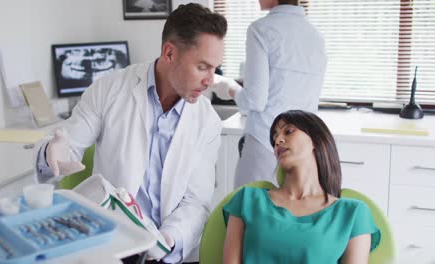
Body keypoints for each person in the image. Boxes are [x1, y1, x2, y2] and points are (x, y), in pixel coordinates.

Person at [35, 3, 227, 263]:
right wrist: (50, 153)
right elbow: (67, 146)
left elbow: (197, 199)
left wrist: (167, 240)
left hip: (167, 248)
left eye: (214, 69)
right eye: (202, 67)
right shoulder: (109, 89)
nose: (210, 81)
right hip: (111, 242)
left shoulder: (207, 121)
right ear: (170, 53)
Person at [222, 110, 381, 263]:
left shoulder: (352, 214)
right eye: (275, 137)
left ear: (315, 139)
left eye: (289, 131)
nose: (278, 141)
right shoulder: (247, 200)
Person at [212, 0, 327, 188]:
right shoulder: (316, 36)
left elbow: (253, 101)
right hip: (302, 143)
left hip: (266, 141)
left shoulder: (261, 30)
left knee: (248, 209)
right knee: (290, 213)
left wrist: (228, 86)